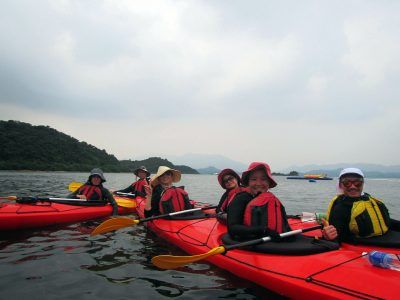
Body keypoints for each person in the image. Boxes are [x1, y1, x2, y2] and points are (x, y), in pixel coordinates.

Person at [325, 167, 400, 243]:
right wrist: (329, 236)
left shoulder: (371, 201)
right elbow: (339, 238)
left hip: (387, 238)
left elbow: (385, 221)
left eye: (357, 183)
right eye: (347, 183)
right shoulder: (340, 208)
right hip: (364, 245)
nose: (353, 187)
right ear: (340, 185)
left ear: (363, 184)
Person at [227, 162, 293, 241]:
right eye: (254, 179)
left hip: (272, 244)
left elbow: (285, 226)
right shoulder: (240, 199)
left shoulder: (273, 201)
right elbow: (233, 229)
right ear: (248, 182)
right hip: (249, 244)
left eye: (263, 179)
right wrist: (263, 230)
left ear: (269, 182)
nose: (258, 183)